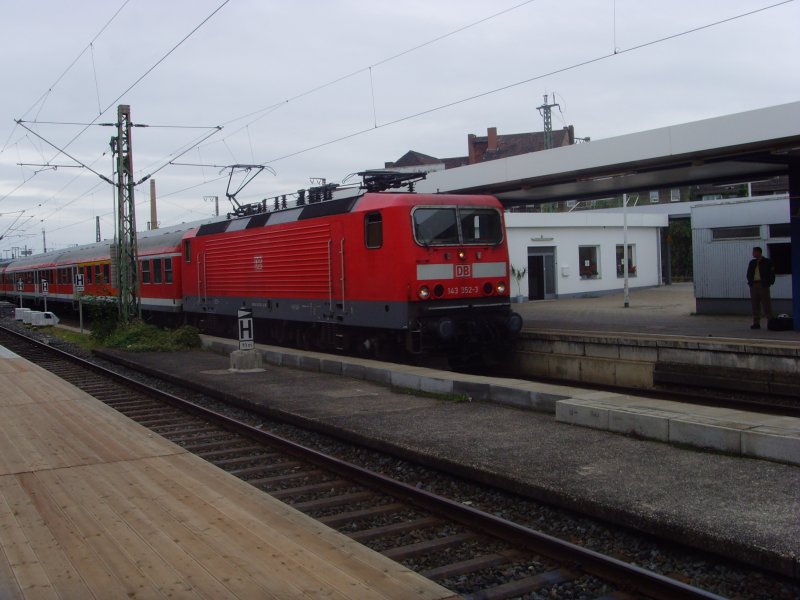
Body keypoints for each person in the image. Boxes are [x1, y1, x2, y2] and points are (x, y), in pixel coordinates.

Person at [746, 246, 775, 329]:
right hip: (754, 285)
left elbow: (771, 273)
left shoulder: (767, 262)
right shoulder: (752, 262)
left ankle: (770, 321)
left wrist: (769, 283)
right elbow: (749, 273)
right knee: (755, 304)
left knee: (766, 303)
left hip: (763, 284)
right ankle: (756, 322)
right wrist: (750, 282)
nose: (753, 254)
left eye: (754, 252)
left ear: (759, 252)